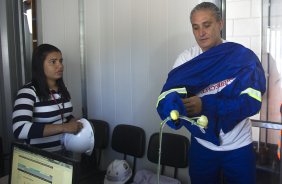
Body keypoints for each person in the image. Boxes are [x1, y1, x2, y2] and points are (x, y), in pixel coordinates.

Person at [156, 2, 266, 184]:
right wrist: (172, 107)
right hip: (202, 146)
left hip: (238, 146)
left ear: (220, 24)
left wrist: (205, 105)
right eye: (195, 27)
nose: (201, 33)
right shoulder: (185, 60)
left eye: (207, 25)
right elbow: (167, 95)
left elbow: (251, 103)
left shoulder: (241, 57)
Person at [12, 43, 83, 153]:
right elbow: (19, 129)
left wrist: (71, 120)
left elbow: (60, 115)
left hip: (66, 151)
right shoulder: (28, 92)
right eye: (53, 62)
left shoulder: (62, 89)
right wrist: (64, 127)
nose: (60, 66)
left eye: (61, 61)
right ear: (40, 65)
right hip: (41, 158)